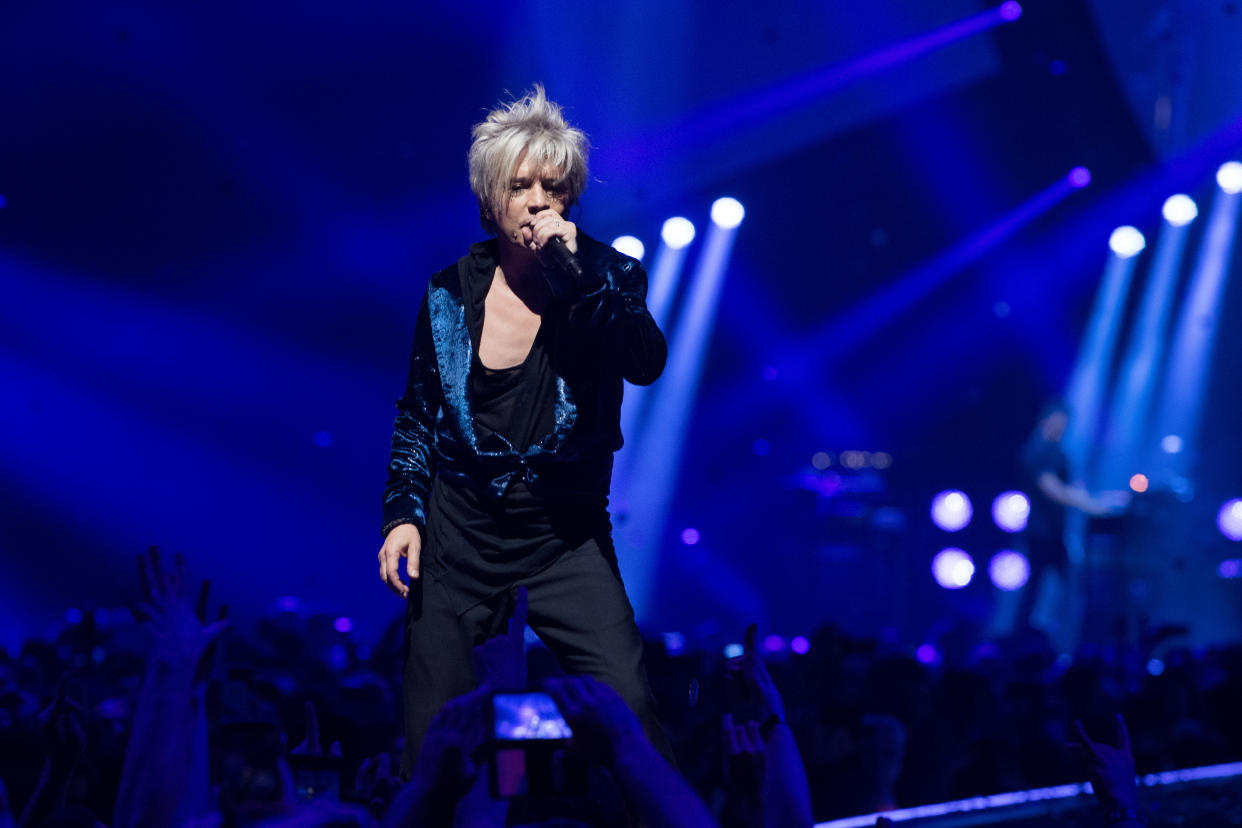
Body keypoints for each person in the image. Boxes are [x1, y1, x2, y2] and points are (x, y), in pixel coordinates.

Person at [377, 85, 669, 774]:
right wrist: (403, 515)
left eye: (554, 185)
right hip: (460, 540)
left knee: (628, 706)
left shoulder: (608, 275)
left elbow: (645, 361)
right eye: (521, 185)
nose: (538, 199)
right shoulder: (449, 292)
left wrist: (581, 283)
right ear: (490, 198)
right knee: (435, 738)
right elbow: (418, 413)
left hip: (562, 539)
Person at [1017, 400, 1127, 635]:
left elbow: (1070, 488)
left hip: (1054, 533)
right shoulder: (1040, 450)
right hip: (1042, 532)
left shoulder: (1055, 451)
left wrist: (1102, 499)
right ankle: (1031, 635)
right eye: (1060, 423)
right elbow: (1053, 489)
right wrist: (1092, 505)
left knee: (1058, 585)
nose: (1063, 428)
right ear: (1047, 420)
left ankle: (1045, 632)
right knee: (1052, 585)